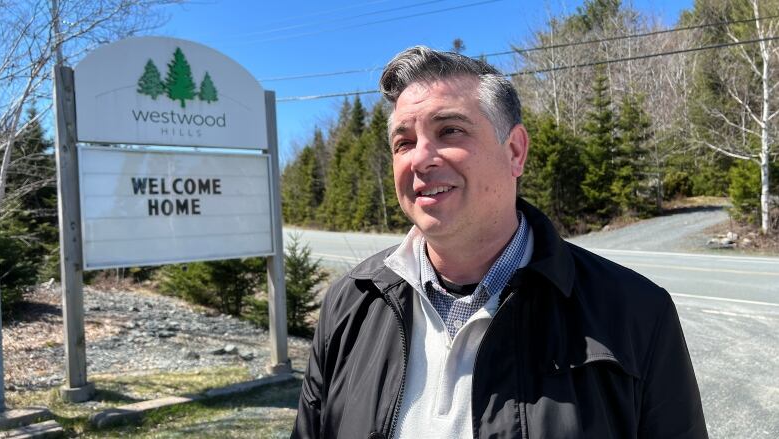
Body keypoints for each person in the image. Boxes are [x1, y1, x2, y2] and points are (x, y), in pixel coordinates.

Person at [292, 46, 707, 439]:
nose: (420, 158)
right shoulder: (350, 303)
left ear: (515, 151)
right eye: (404, 143)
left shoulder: (636, 312)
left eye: (449, 130)